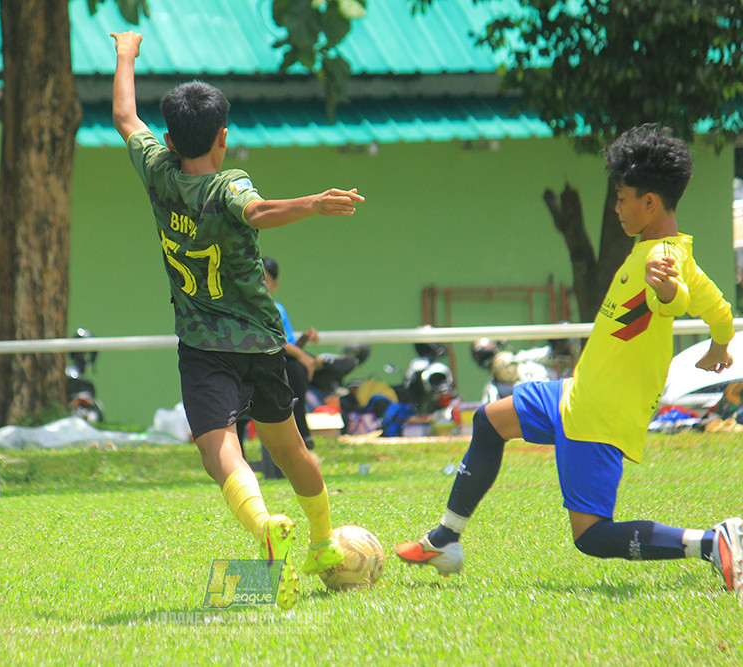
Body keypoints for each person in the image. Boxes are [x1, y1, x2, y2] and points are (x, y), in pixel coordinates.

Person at [397, 124, 742, 595]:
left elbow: (673, 298)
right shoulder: (673, 250)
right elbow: (720, 310)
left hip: (598, 414)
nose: (617, 207)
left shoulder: (660, 259)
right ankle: (445, 539)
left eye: (621, 198)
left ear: (650, 203)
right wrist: (721, 345)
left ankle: (711, 542)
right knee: (490, 421)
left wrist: (667, 291)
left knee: (592, 537)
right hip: (575, 394)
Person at [111, 30, 364, 608]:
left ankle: (265, 529)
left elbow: (125, 113)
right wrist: (314, 204)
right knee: (290, 445)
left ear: (171, 137)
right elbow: (256, 210)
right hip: (260, 342)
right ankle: (323, 542)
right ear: (223, 137)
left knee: (217, 447)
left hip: (202, 344)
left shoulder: (158, 168)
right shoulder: (228, 183)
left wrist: (127, 53)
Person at [262, 256, 321, 448]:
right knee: (297, 368)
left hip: (281, 362)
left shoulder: (278, 309)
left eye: (265, 279)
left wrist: (304, 339)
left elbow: (289, 345)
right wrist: (303, 357)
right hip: (260, 362)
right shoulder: (252, 308)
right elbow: (272, 341)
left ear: (274, 284)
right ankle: (302, 433)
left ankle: (301, 431)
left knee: (298, 369)